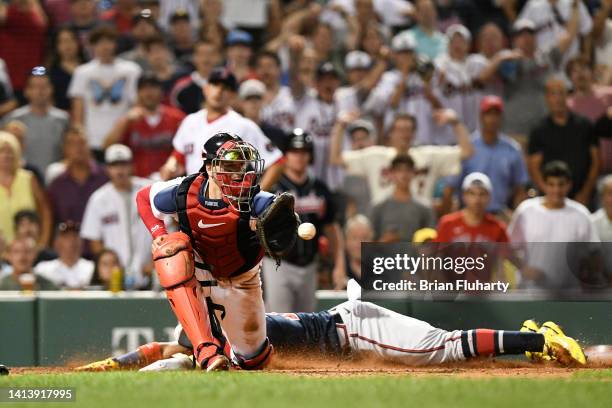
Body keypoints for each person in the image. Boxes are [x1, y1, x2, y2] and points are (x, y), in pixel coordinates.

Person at [78, 280, 587, 371]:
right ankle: (534, 338)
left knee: (442, 349)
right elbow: (164, 351)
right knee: (442, 349)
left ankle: (539, 339)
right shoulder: (209, 335)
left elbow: (172, 355)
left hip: (350, 329)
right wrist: (106, 366)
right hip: (346, 335)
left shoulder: (233, 329)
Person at [135, 133, 294, 371]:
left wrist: (281, 224)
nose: (239, 172)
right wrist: (159, 235)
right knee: (171, 250)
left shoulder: (254, 199)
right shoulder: (185, 191)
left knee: (253, 360)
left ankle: (201, 348)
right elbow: (144, 198)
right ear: (210, 167)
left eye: (242, 165)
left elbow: (276, 212)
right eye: (230, 165)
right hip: (199, 271)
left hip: (241, 279)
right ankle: (205, 350)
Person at [160, 68, 283, 190]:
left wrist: (257, 196)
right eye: (215, 85)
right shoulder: (190, 121)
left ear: (233, 96)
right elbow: (178, 156)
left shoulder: (242, 125)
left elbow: (277, 162)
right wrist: (169, 167)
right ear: (206, 89)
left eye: (225, 88)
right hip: (194, 198)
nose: (219, 91)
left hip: (226, 200)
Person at [263, 129, 344, 311]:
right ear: (285, 155)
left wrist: (339, 265)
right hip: (277, 264)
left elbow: (332, 227)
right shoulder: (272, 187)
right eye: (294, 152)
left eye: (304, 152)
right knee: (280, 322)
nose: (299, 157)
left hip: (310, 265)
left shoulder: (319, 187)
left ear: (310, 156)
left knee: (306, 325)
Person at [330, 111, 472, 209]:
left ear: (414, 133)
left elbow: (467, 152)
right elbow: (336, 159)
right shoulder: (375, 156)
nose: (404, 134)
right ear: (391, 132)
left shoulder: (428, 155)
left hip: (420, 219)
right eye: (399, 129)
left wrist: (456, 123)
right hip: (385, 219)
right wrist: (340, 125)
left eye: (408, 129)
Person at [508, 161, 600, 289]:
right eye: (551, 184)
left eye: (561, 184)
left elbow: (594, 252)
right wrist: (524, 268)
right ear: (543, 185)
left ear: (569, 185)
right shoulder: (526, 211)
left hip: (569, 294)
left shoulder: (581, 214)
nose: (556, 190)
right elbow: (508, 248)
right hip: (530, 291)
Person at [80, 144, 153, 289]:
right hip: (114, 276)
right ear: (107, 169)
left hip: (149, 270)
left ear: (131, 166)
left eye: (124, 164)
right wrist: (108, 267)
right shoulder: (99, 198)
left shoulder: (149, 190)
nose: (119, 170)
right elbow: (94, 240)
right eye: (114, 165)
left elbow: (168, 226)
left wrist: (156, 262)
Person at [69, 26, 142, 159]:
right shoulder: (82, 72)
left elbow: (136, 104)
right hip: (92, 138)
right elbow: (78, 111)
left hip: (122, 137)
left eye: (109, 41)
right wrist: (81, 140)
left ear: (115, 44)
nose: (105, 46)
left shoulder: (131, 70)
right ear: (92, 46)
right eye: (99, 42)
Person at [528, 77, 599, 205]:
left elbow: (596, 161)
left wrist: (585, 193)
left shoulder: (585, 125)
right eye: (553, 94)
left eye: (561, 93)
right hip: (551, 199)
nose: (558, 98)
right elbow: (534, 167)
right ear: (546, 98)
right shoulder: (538, 130)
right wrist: (551, 194)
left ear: (568, 96)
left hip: (583, 198)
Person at [455, 96, 528, 215]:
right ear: (481, 117)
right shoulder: (468, 147)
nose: (492, 119)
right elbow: (453, 185)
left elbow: (520, 187)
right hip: (469, 214)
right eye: (489, 114)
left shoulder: (512, 149)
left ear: (502, 118)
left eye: (496, 114)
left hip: (499, 213)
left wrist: (515, 215)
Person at [103, 73, 185, 178]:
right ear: (138, 92)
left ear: (161, 91)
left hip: (168, 180)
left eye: (153, 87)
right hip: (137, 181)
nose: (149, 92)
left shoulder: (176, 118)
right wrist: (125, 122)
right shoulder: (129, 119)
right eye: (144, 88)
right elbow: (107, 145)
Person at [3, 67, 69, 173]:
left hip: (53, 179)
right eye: (35, 87)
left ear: (51, 89)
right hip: (22, 178)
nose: (40, 91)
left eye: (44, 87)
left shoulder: (64, 119)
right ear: (26, 91)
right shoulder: (13, 119)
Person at [47, 126, 108, 225]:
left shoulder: (105, 178)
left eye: (82, 142)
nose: (78, 148)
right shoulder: (57, 186)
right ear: (65, 149)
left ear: (89, 146)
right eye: (72, 144)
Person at [0, 131, 51, 245]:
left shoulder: (29, 178)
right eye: (2, 151)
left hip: (29, 250)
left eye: (11, 151)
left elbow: (45, 212)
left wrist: (42, 242)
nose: (6, 155)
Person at [371, 154, 435, 242]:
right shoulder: (379, 206)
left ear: (413, 173)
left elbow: (432, 242)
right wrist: (384, 242)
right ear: (391, 174)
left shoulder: (424, 208)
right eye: (399, 170)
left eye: (408, 170)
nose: (404, 175)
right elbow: (370, 243)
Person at [437, 172, 509, 243]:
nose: (477, 200)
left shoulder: (498, 228)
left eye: (482, 194)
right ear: (464, 195)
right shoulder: (447, 224)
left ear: (489, 197)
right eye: (472, 193)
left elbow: (506, 254)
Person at [518, 0, 592, 66]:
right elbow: (520, 33)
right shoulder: (533, 5)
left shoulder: (573, 3)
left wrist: (587, 56)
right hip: (544, 63)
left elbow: (586, 31)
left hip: (571, 63)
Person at [0, 0, 48, 103]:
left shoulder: (35, 9)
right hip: (9, 77)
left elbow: (42, 23)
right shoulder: (6, 11)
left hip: (32, 76)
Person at [35, 221, 94, 289]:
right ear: (56, 243)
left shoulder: (91, 268)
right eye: (67, 237)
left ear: (81, 242)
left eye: (75, 236)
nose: (72, 240)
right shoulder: (43, 269)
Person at [170, 40, 220, 115]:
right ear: (194, 58)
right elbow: (175, 112)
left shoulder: (225, 83)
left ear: (217, 58)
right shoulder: (182, 86)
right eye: (202, 54)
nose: (206, 59)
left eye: (210, 54)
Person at [238, 79, 287, 153]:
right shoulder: (235, 132)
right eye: (248, 98)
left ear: (263, 101)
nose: (253, 102)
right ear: (241, 103)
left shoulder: (276, 134)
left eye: (257, 98)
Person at [254, 51, 296, 134]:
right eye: (261, 67)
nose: (265, 71)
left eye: (269, 66)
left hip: (287, 142)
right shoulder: (252, 97)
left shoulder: (291, 94)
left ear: (279, 69)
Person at [46, 27, 86, 111]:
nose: (67, 45)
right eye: (62, 42)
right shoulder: (51, 72)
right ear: (56, 46)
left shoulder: (88, 68)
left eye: (71, 40)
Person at [343, 214, 374, 286]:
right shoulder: (337, 267)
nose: (359, 243)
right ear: (346, 241)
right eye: (354, 238)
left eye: (364, 238)